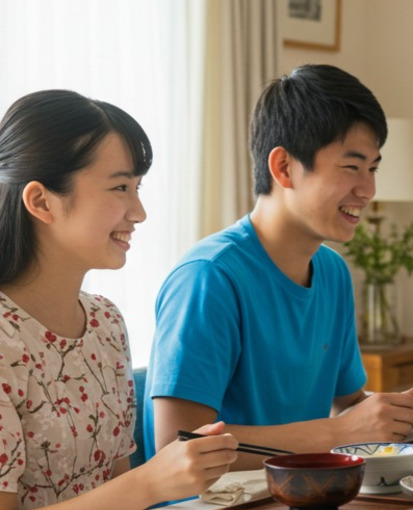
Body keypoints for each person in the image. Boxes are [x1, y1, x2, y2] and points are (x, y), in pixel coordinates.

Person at [145, 64, 413, 471]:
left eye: (373, 167)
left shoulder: (331, 272)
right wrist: (338, 433)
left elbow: (351, 407)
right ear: (284, 167)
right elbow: (177, 446)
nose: (368, 190)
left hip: (309, 491)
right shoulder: (209, 278)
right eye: (351, 166)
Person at [0, 90, 238, 509]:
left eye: (138, 187)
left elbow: (118, 491)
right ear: (41, 201)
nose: (139, 211)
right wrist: (152, 482)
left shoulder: (105, 323)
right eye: (121, 187)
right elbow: (134, 489)